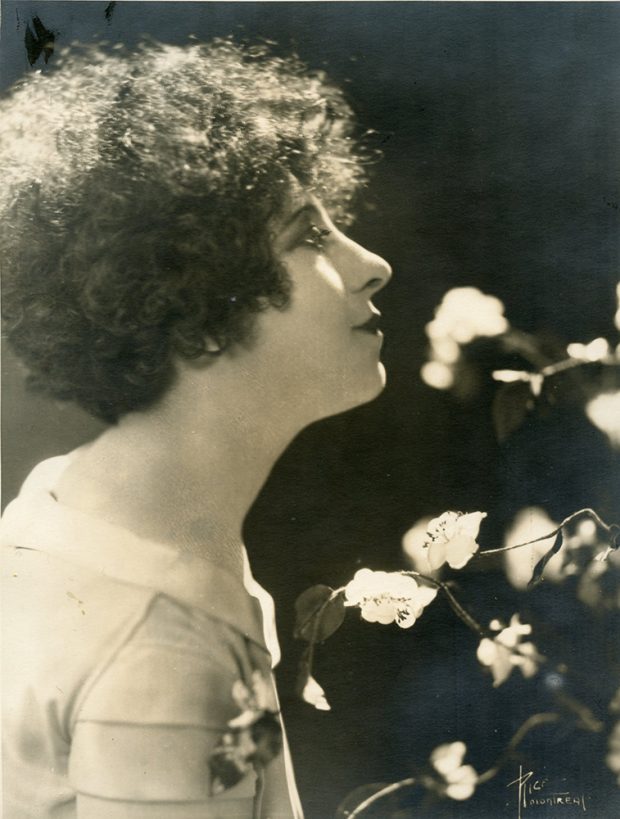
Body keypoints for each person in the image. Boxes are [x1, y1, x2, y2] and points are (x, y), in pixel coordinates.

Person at [0, 38, 391, 819]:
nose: (371, 262)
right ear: (196, 302)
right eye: (308, 236)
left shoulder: (77, 502)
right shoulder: (157, 653)